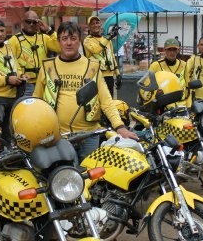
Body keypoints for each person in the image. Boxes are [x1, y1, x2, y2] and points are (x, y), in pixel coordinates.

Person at [33, 21, 137, 163]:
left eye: (73, 38)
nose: (69, 43)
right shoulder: (47, 67)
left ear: (79, 41)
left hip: (90, 135)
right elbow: (36, 103)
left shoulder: (92, 66)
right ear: (58, 42)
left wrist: (120, 127)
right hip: (58, 137)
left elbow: (106, 100)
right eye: (64, 39)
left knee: (92, 179)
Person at [8, 11, 60, 96]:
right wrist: (20, 74)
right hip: (26, 83)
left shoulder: (44, 38)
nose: (31, 24)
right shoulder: (14, 40)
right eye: (28, 22)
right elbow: (11, 62)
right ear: (23, 22)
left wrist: (49, 30)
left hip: (44, 81)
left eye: (34, 22)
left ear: (38, 23)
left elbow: (59, 47)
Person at [83, 16, 121, 96]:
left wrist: (117, 74)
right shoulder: (87, 40)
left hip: (109, 76)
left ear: (100, 24)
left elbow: (112, 56)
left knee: (109, 100)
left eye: (97, 23)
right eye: (92, 24)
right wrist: (109, 37)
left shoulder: (107, 39)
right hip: (96, 75)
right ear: (89, 27)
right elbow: (96, 50)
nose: (95, 25)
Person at [149, 38, 187, 103]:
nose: (172, 52)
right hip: (163, 104)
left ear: (178, 50)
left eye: (174, 49)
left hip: (181, 103)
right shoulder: (156, 65)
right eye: (169, 49)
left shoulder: (184, 65)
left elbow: (189, 85)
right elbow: (148, 85)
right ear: (164, 50)